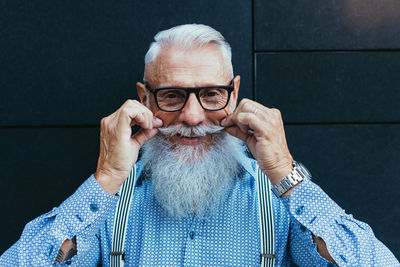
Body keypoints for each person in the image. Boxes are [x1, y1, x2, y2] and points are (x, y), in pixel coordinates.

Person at [0, 24, 398, 267]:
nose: (192, 117)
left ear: (234, 92)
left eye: (211, 94)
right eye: (172, 96)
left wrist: (284, 171)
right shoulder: (107, 205)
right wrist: (105, 177)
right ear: (145, 97)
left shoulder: (281, 199)